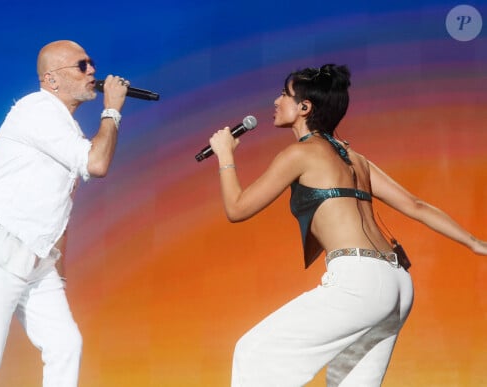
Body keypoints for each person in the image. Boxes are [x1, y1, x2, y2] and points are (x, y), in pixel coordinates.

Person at [208, 64, 487, 386]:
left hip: (360, 280)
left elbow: (237, 209)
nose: (276, 100)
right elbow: (416, 206)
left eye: (284, 94)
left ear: (304, 107)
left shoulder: (299, 154)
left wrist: (225, 155)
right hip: (397, 283)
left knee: (253, 352)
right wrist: (475, 243)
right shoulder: (355, 159)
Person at [0, 40, 130, 387]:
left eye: (92, 64)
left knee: (65, 345)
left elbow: (59, 209)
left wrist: (60, 274)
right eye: (81, 65)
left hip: (36, 259)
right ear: (51, 80)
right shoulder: (37, 108)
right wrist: (112, 109)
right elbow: (97, 164)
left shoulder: (68, 131)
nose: (93, 71)